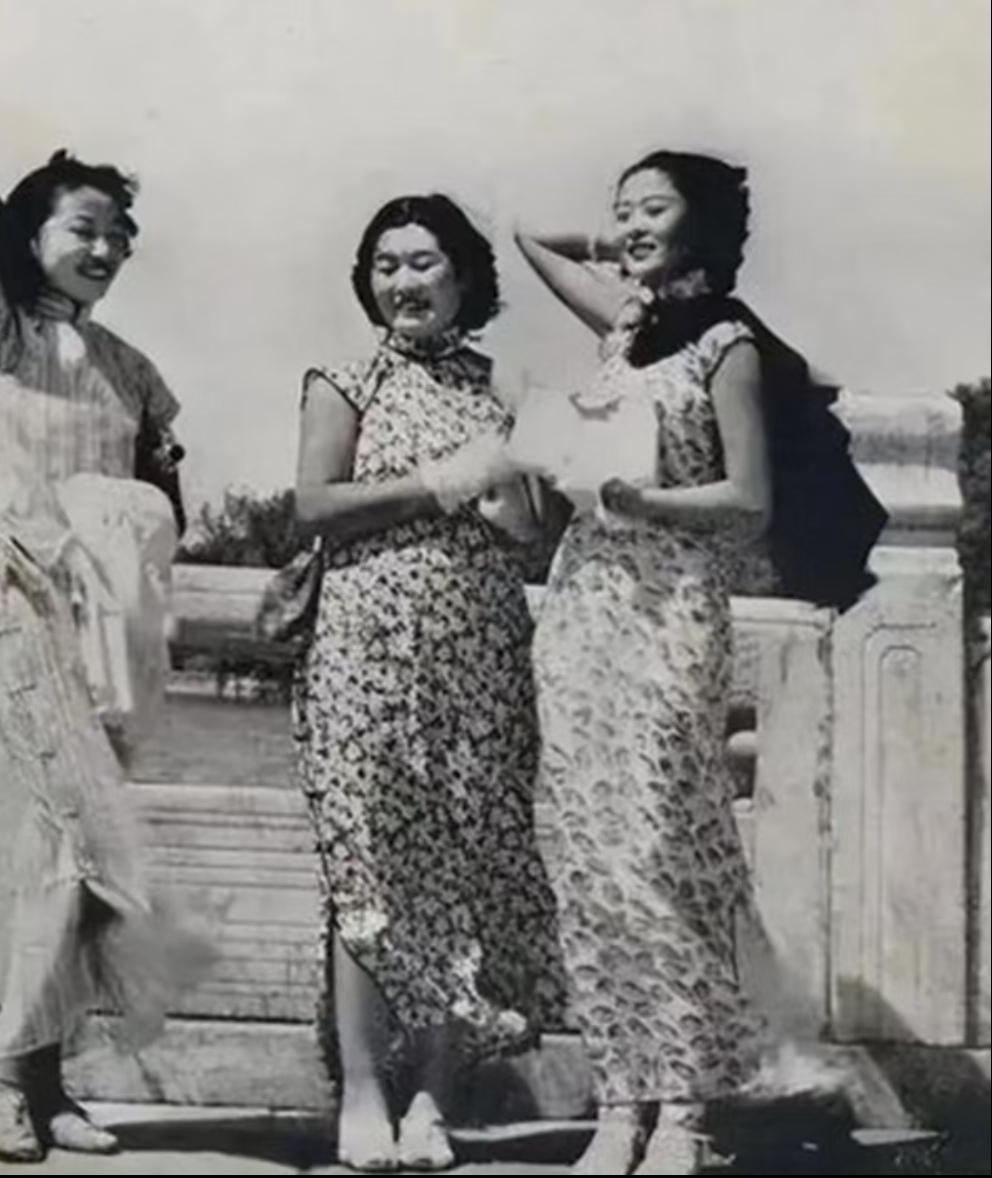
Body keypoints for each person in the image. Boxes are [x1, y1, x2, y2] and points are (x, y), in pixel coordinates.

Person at [513, 150, 848, 1175]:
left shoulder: (726, 343)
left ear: (701, 224)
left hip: (670, 609)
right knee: (586, 854)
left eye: (653, 209)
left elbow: (749, 502)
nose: (629, 225)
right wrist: (618, 242)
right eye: (621, 210)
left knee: (660, 845)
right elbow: (526, 236)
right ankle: (621, 1099)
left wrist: (642, 498)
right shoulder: (625, 324)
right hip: (583, 602)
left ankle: (686, 1112)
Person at [0, 150, 210, 1163]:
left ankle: (44, 1077)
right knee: (75, 831)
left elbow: (166, 500)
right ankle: (1, 1076)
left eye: (117, 235)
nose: (105, 249)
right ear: (33, 237)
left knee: (77, 855)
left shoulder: (131, 367)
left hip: (114, 627)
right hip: (25, 606)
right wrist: (22, 204)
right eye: (82, 229)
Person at [293, 193, 566, 1172]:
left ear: (464, 277)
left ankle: (435, 1099)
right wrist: (444, 481)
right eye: (386, 264)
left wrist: (514, 495)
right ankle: (363, 1093)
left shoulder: (503, 385)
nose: (403, 282)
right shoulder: (344, 379)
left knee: (472, 866)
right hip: (362, 651)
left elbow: (539, 526)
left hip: (481, 654)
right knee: (363, 865)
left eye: (423, 262)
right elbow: (313, 505)